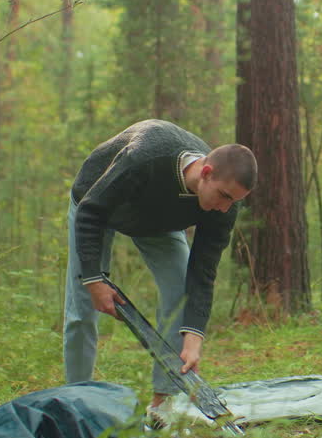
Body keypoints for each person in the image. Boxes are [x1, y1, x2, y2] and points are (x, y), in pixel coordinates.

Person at [64, 119, 257, 417]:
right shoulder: (145, 158)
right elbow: (92, 211)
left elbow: (203, 272)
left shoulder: (224, 204)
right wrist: (93, 280)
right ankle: (76, 403)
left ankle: (161, 405)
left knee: (181, 290)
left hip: (158, 222)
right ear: (206, 172)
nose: (226, 208)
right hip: (97, 207)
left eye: (234, 202)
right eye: (224, 197)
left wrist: (193, 338)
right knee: (82, 310)